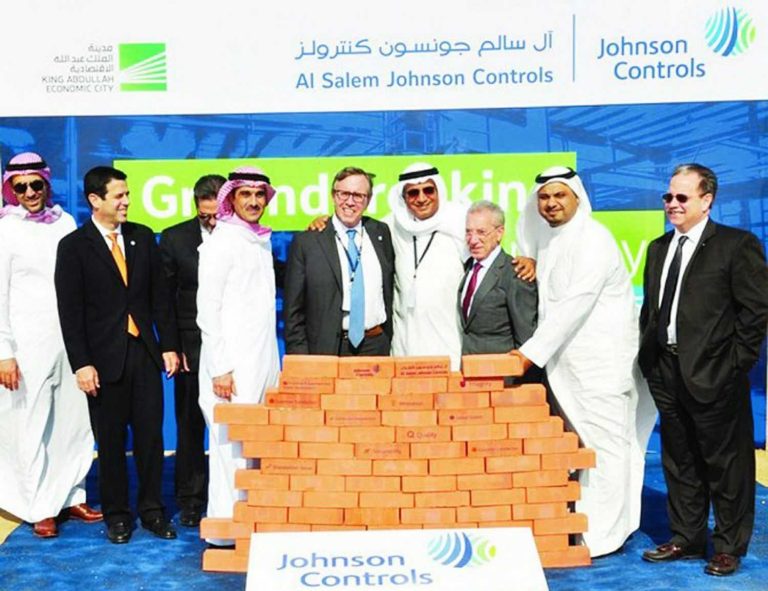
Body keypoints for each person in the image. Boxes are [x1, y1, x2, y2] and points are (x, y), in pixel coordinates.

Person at [511, 165, 656, 557]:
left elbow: (575, 304)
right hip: (568, 367)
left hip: (601, 366)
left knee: (606, 447)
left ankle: (604, 536)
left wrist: (528, 354)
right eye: (544, 197)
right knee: (588, 448)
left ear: (577, 198)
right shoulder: (551, 240)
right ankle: (596, 525)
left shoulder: (594, 239)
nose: (551, 203)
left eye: (559, 195)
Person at [638, 164, 768, 576]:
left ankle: (728, 546)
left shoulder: (736, 245)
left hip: (716, 373)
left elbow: (756, 310)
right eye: (668, 196)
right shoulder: (658, 247)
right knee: (679, 460)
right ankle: (686, 537)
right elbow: (652, 310)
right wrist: (651, 360)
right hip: (666, 371)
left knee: (726, 465)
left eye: (682, 197)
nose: (672, 204)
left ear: (706, 200)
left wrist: (735, 363)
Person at [54, 166, 180, 544]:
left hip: (144, 354)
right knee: (110, 443)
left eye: (127, 194)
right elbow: (70, 312)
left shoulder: (142, 236)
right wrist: (82, 363)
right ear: (95, 200)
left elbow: (160, 298)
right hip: (102, 360)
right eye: (119, 196)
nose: (127, 201)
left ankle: (152, 511)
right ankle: (118, 516)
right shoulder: (74, 246)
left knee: (150, 439)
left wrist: (168, 345)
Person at [306, 162, 535, 368]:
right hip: (403, 344)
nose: (422, 198)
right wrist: (324, 222)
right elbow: (350, 228)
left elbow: (490, 251)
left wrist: (526, 260)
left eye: (428, 190)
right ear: (403, 197)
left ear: (438, 190)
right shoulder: (389, 227)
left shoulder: (459, 222)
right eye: (413, 192)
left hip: (449, 341)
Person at [0, 152, 101, 538]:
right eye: (20, 187)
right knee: (32, 424)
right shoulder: (6, 230)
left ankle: (72, 495)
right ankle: (40, 506)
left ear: (46, 183)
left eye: (35, 185)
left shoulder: (66, 222)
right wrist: (4, 352)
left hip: (72, 341)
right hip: (27, 345)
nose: (29, 193)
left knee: (74, 422)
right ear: (11, 189)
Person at [196, 166, 280, 546]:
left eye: (260, 195)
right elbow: (207, 310)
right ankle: (226, 531)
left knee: (254, 444)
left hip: (261, 359)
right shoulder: (222, 241)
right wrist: (220, 368)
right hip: (230, 367)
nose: (254, 201)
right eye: (245, 194)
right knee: (230, 447)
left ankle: (250, 522)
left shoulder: (258, 240)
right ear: (231, 198)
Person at [159, 174, 223, 527]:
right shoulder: (174, 238)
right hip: (190, 347)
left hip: (234, 346)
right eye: (204, 216)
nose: (211, 222)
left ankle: (232, 494)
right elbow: (164, 298)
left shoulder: (245, 235)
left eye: (217, 215)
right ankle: (190, 499)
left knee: (232, 425)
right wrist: (172, 345)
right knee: (189, 425)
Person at [284, 166, 395, 356]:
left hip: (376, 345)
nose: (350, 202)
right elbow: (293, 310)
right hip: (328, 349)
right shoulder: (308, 242)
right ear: (333, 196)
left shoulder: (381, 232)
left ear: (368, 200)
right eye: (343, 194)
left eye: (358, 195)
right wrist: (300, 357)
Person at [459, 200, 537, 363]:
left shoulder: (516, 273)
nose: (473, 240)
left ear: (499, 233)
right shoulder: (466, 268)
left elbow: (526, 339)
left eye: (481, 232)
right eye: (468, 232)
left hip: (502, 372)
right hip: (469, 370)